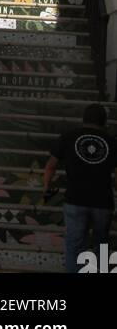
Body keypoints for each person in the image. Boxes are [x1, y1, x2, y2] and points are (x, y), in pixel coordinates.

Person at [44, 103, 117, 273]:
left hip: (75, 200)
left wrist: (46, 187)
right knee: (102, 245)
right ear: (104, 122)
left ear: (83, 119)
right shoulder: (112, 142)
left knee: (74, 247)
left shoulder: (69, 137)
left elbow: (50, 166)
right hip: (102, 202)